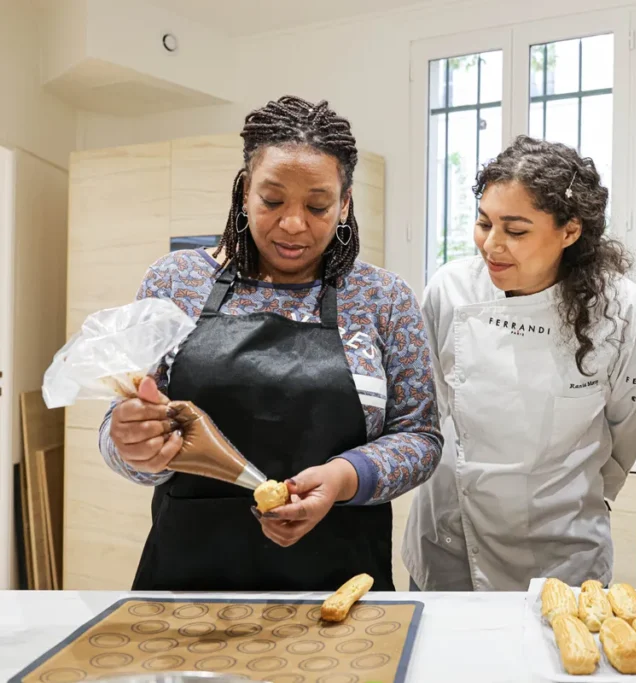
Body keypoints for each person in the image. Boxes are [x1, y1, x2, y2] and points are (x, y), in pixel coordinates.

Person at [98, 96, 443, 592]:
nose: (293, 224)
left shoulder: (382, 298)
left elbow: (421, 436)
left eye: (318, 205)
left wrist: (346, 476)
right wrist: (132, 445)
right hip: (188, 583)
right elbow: (120, 425)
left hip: (342, 582)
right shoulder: (174, 282)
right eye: (272, 200)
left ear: (345, 204)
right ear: (244, 193)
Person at [403, 136, 636, 591]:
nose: (492, 246)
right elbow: (431, 408)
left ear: (570, 230)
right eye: (484, 223)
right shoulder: (451, 290)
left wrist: (581, 496)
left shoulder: (620, 311)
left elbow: (628, 432)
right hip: (451, 538)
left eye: (516, 230)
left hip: (563, 548)